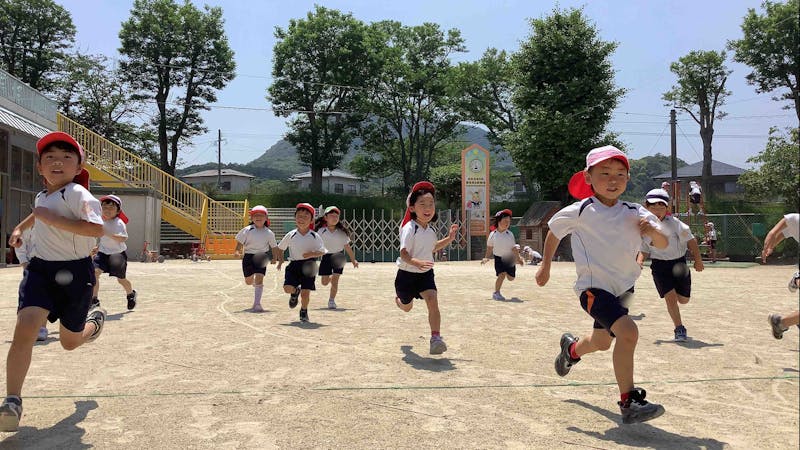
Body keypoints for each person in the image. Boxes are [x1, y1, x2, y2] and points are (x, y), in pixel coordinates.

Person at [536, 145, 668, 425]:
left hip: (625, 289)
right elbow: (553, 234)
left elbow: (663, 243)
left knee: (602, 342)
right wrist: (545, 265)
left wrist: (653, 231)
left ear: (628, 179)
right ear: (588, 177)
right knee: (629, 332)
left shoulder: (635, 212)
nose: (613, 180)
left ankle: (570, 351)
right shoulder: (580, 210)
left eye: (621, 174)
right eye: (605, 173)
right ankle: (629, 401)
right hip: (593, 290)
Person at [1, 131, 106, 432]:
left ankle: (93, 324)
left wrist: (53, 220)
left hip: (76, 274)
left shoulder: (78, 194)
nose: (57, 162)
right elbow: (39, 213)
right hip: (41, 271)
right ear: (39, 167)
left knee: (69, 343)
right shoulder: (42, 195)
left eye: (66, 157)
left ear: (77, 168)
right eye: (49, 157)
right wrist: (20, 228)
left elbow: (95, 229)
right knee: (26, 327)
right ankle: (12, 401)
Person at [394, 181, 458, 355]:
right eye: (422, 204)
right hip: (406, 275)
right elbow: (404, 254)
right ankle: (400, 302)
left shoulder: (430, 230)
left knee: (432, 300)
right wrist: (416, 262)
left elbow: (432, 248)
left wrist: (450, 238)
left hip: (425, 274)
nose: (428, 207)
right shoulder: (409, 228)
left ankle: (435, 338)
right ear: (412, 208)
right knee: (407, 308)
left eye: (431, 204)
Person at [636, 188, 704, 342]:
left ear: (667, 208)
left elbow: (691, 241)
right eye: (653, 206)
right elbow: (644, 249)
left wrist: (698, 260)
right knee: (670, 298)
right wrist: (639, 261)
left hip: (679, 264)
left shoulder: (676, 224)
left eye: (661, 206)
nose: (657, 210)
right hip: (659, 266)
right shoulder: (644, 227)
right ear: (646, 207)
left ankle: (681, 308)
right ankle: (679, 328)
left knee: (683, 300)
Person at [276, 203, 326, 323]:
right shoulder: (291, 234)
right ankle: (294, 292)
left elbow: (322, 251)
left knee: (305, 293)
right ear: (295, 218)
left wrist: (311, 254)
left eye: (305, 216)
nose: (302, 219)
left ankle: (303, 310)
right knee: (287, 288)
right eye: (299, 216)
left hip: (309, 265)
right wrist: (281, 260)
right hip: (294, 265)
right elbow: (280, 248)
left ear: (311, 220)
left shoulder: (314, 236)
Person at [91, 195, 137, 310]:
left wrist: (107, 233)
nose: (107, 210)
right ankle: (94, 300)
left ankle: (131, 294)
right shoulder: (99, 221)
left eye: (111, 208)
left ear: (118, 211)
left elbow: (123, 238)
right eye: (104, 207)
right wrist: (97, 247)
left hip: (117, 254)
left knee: (120, 279)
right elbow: (102, 238)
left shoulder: (119, 223)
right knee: (94, 273)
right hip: (102, 253)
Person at [234, 205, 281, 312]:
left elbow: (274, 247)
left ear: (266, 218)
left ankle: (257, 304)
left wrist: (275, 257)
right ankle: (253, 282)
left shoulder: (269, 233)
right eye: (256, 215)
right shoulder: (247, 230)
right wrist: (237, 252)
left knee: (260, 277)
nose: (258, 217)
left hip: (262, 256)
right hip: (248, 257)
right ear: (252, 218)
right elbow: (239, 244)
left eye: (261, 215)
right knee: (248, 281)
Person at [762, 213, 800, 339]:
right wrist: (769, 246)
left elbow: (783, 234)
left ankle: (781, 323)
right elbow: (776, 233)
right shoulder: (796, 219)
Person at [314, 206, 358, 310]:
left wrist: (353, 260)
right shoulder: (321, 231)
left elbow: (347, 247)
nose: (334, 218)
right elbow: (314, 242)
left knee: (335, 281)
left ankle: (331, 300)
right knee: (324, 282)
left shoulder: (341, 232)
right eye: (331, 216)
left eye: (336, 216)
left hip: (338, 257)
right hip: (326, 256)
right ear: (325, 218)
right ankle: (331, 278)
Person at [15, 228, 48, 342]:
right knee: (26, 296)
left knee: (45, 296)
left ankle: (42, 327)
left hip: (50, 263)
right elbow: (20, 246)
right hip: (31, 265)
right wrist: (24, 263)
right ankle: (25, 327)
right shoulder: (25, 228)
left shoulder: (52, 223)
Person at [482, 209, 523, 300]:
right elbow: (489, 248)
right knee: (502, 274)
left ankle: (509, 275)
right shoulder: (493, 235)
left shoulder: (510, 234)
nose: (507, 223)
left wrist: (518, 258)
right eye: (505, 221)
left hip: (509, 258)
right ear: (498, 221)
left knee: (511, 278)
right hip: (498, 258)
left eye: (508, 221)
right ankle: (496, 293)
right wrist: (486, 258)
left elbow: (513, 248)